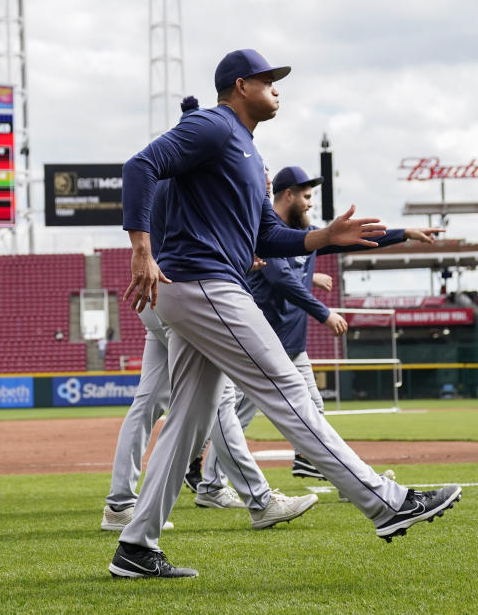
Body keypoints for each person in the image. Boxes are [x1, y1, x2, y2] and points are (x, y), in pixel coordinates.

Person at [109, 48, 462, 579]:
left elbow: (267, 237)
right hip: (205, 283)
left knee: (186, 419)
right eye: (270, 80)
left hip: (198, 287)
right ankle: (385, 503)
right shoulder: (215, 125)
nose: (278, 89)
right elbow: (141, 165)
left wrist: (324, 237)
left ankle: (135, 546)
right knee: (288, 390)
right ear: (242, 84)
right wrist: (141, 246)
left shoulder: (247, 152)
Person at [103, 98, 318, 534]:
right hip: (175, 289)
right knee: (214, 399)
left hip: (160, 293)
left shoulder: (173, 178)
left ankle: (120, 505)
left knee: (150, 402)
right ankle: (254, 497)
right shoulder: (184, 175)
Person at [199, 165, 442, 485]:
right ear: (289, 195)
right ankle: (211, 483)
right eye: (307, 196)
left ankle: (308, 461)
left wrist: (403, 234)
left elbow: (351, 240)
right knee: (239, 415)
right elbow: (281, 277)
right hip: (262, 343)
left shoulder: (306, 235)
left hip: (293, 346)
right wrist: (323, 311)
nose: (311, 203)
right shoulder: (265, 232)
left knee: (313, 405)